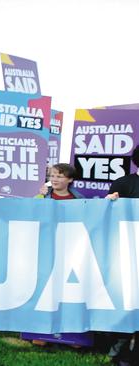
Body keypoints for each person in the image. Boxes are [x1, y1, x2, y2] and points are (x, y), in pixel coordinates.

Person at [106, 146, 139, 366]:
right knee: (128, 302)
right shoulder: (123, 183)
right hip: (129, 253)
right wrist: (109, 201)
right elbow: (107, 214)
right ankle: (119, 350)